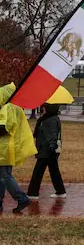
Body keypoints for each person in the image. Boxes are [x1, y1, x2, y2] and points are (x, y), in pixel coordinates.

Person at [0, 82, 37, 213]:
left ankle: (22, 199)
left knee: (5, 176)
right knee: (2, 176)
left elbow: (4, 128)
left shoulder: (8, 108)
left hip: (3, 149)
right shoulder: (13, 107)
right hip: (4, 148)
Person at [27, 103, 66, 199]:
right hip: (46, 149)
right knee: (54, 171)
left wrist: (52, 148)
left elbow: (52, 135)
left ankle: (33, 193)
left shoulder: (51, 120)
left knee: (38, 172)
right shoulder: (47, 119)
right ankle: (60, 191)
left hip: (47, 150)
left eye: (44, 108)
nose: (42, 109)